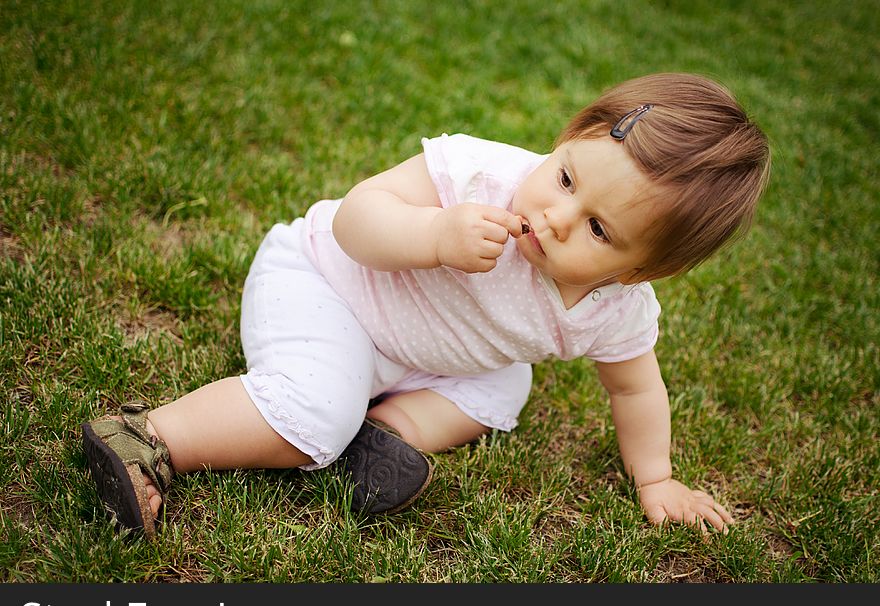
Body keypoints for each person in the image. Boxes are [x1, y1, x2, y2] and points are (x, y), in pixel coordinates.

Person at [82, 72, 770, 539]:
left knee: (506, 385)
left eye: (598, 229)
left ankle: (385, 434)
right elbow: (357, 216)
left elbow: (637, 387)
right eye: (564, 177)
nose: (557, 215)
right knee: (317, 407)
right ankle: (148, 438)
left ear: (644, 268)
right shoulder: (481, 174)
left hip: (431, 349)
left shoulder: (616, 311)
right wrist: (434, 234)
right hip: (331, 288)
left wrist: (657, 477)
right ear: (568, 137)